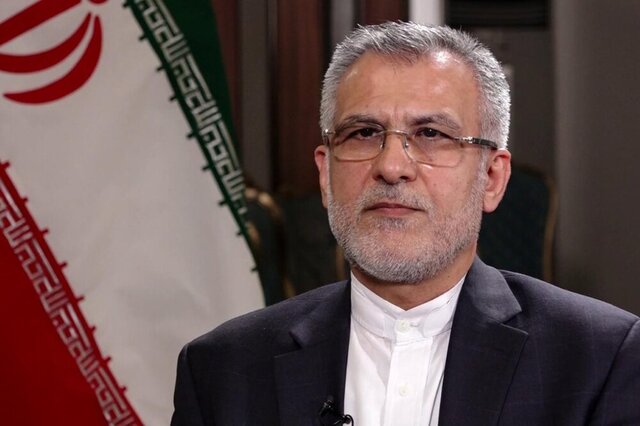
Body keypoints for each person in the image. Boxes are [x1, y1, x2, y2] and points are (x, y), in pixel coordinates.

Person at [171, 22, 640, 425]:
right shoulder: (221, 370)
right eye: (364, 133)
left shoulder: (600, 359)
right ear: (326, 174)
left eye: (431, 134)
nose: (392, 166)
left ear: (492, 178)